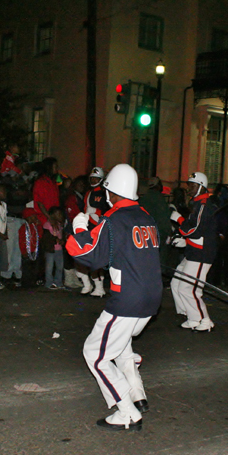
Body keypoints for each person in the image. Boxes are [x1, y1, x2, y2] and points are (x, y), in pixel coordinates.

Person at [66, 164, 162, 431]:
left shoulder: (114, 220)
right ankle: (137, 395)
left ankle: (127, 412)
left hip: (128, 300)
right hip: (150, 300)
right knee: (121, 347)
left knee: (95, 354)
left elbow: (87, 253)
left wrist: (79, 227)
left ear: (112, 191)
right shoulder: (146, 216)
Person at [170, 172, 219, 332]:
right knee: (176, 282)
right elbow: (197, 231)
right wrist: (185, 241)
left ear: (201, 187)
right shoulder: (197, 204)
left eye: (192, 185)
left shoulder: (204, 205)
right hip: (194, 251)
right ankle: (192, 316)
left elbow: (195, 230)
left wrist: (178, 220)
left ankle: (204, 320)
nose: (189, 188)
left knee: (188, 288)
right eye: (189, 184)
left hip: (201, 254)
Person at [81, 166, 110, 297]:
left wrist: (97, 212)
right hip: (89, 226)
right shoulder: (88, 193)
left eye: (96, 178)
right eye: (91, 178)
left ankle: (99, 287)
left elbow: (108, 211)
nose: (93, 180)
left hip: (100, 227)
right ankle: (92, 286)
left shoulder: (105, 193)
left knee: (97, 259)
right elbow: (85, 208)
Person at [138, 176, 173, 266]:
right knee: (159, 262)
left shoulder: (143, 199)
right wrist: (169, 232)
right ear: (158, 186)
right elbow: (164, 218)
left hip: (143, 235)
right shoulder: (159, 198)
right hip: (157, 235)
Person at [42, 206, 65, 289]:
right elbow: (46, 237)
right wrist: (56, 240)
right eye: (58, 214)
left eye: (60, 214)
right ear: (52, 215)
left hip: (59, 249)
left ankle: (58, 282)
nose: (60, 216)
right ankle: (48, 283)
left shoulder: (59, 225)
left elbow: (61, 235)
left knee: (59, 267)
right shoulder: (47, 224)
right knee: (49, 267)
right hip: (50, 249)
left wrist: (62, 240)